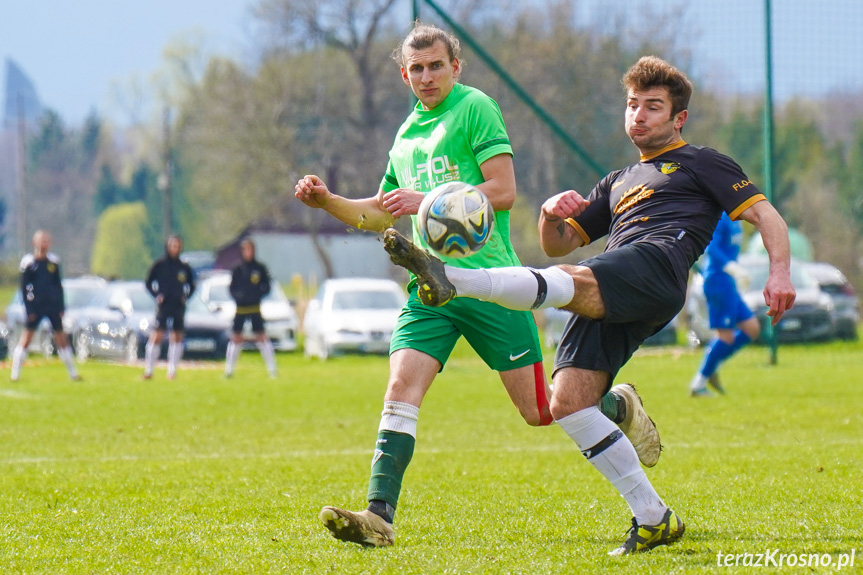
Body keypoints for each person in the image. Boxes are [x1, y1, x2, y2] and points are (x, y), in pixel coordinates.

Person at [383, 55, 797, 555]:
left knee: (566, 281)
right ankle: (654, 516)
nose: (639, 115)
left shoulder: (703, 162)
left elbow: (766, 215)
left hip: (657, 265)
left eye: (653, 107)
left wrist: (779, 272)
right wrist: (548, 214)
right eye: (632, 105)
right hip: (614, 278)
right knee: (567, 403)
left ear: (678, 118)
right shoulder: (618, 180)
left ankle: (455, 279)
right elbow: (559, 245)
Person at [294, 23, 659, 548]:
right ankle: (379, 516)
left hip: (491, 286)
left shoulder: (474, 109)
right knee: (400, 389)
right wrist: (327, 200)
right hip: (430, 287)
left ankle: (618, 406)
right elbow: (380, 213)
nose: (426, 77)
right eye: (416, 69)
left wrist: (430, 201)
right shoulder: (405, 136)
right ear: (404, 74)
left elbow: (504, 191)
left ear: (455, 67)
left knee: (543, 410)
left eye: (436, 66)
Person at [688, 212, 760, 396]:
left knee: (751, 328)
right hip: (717, 279)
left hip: (728, 281)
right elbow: (711, 247)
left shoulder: (734, 216)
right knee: (725, 336)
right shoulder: (719, 216)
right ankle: (699, 383)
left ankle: (712, 365)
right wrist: (731, 267)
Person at [10, 230, 81, 382]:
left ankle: (73, 373)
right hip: (36, 307)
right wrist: (29, 308)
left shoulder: (53, 262)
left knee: (61, 338)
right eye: (42, 241)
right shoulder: (29, 263)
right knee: (26, 338)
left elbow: (58, 285)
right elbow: (24, 288)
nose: (44, 243)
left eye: (46, 241)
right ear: (34, 243)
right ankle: (15, 374)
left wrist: (61, 306)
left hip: (52, 306)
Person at [143, 235, 196, 380]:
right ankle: (149, 370)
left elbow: (192, 285)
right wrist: (157, 295)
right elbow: (148, 282)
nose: (175, 248)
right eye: (173, 246)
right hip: (164, 305)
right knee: (157, 335)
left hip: (178, 305)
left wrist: (186, 296)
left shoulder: (183, 267)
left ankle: (172, 371)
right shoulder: (160, 265)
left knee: (177, 336)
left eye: (178, 246)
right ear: (168, 246)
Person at [224, 238, 278, 379]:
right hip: (241, 308)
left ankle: (272, 370)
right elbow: (231, 288)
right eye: (245, 249)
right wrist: (238, 297)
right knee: (236, 337)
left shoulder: (260, 268)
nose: (248, 252)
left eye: (250, 249)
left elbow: (267, 286)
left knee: (261, 337)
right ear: (242, 251)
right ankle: (229, 370)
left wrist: (258, 295)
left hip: (255, 307)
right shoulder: (237, 269)